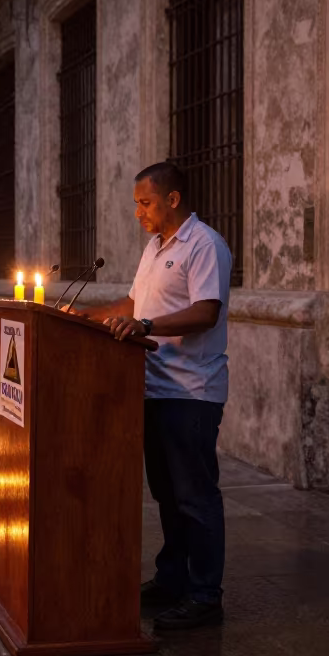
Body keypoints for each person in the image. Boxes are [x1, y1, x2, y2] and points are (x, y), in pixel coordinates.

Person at [76, 161, 232, 631]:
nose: (139, 213)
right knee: (167, 494)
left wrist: (144, 327)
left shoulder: (205, 245)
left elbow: (205, 312)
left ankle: (205, 595)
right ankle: (173, 580)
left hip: (191, 392)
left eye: (145, 203)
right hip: (152, 386)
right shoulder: (154, 248)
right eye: (136, 204)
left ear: (173, 199)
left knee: (195, 496)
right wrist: (84, 315)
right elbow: (134, 305)